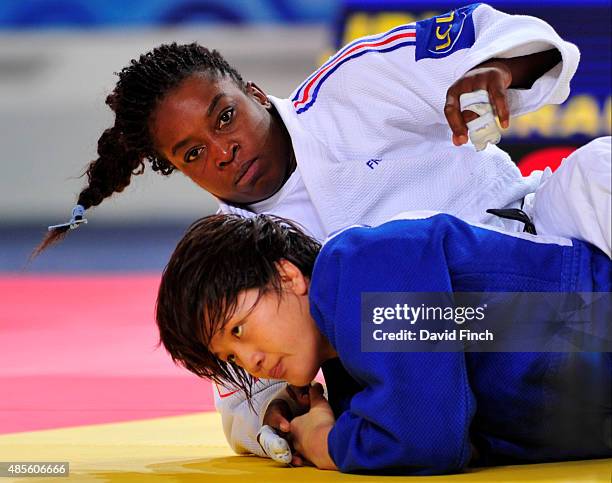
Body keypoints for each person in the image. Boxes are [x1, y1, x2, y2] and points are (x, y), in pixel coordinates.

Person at [35, 2, 611, 459]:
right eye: (193, 153)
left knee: (597, 171)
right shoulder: (230, 257)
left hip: (546, 243)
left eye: (225, 117)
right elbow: (249, 401)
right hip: (468, 350)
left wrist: (499, 69)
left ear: (255, 93)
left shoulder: (354, 86)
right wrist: (291, 420)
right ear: (180, 170)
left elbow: (502, 33)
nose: (224, 151)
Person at [155, 213, 611, 474]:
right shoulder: (354, 374)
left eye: (239, 329)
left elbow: (424, 439)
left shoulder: (359, 265)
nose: (250, 360)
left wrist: (327, 442)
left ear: (286, 275)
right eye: (231, 357)